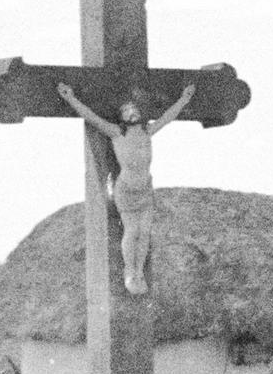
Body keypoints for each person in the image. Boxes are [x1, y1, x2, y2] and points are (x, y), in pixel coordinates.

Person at [57, 80, 196, 294]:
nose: (131, 112)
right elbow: (91, 117)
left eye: (134, 109)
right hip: (126, 190)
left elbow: (169, 116)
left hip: (146, 189)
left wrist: (184, 99)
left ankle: (139, 272)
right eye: (126, 110)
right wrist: (70, 98)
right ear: (121, 117)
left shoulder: (148, 131)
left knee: (145, 232)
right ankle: (129, 272)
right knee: (132, 231)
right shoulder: (116, 133)